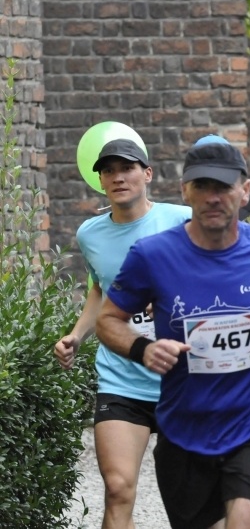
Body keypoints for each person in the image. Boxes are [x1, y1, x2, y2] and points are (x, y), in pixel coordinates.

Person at [95, 140, 250, 529]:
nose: (213, 197)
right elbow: (108, 320)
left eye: (223, 186)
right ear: (184, 191)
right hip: (184, 430)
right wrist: (143, 348)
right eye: (202, 186)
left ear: (245, 191)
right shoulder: (152, 255)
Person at [53, 138, 191, 529]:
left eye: (127, 168)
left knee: (188, 500)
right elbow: (101, 289)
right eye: (108, 171)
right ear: (100, 181)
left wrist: (167, 297)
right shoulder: (90, 235)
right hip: (122, 380)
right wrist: (76, 336)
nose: (118, 177)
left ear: (147, 174)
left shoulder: (181, 220)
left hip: (180, 379)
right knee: (117, 488)